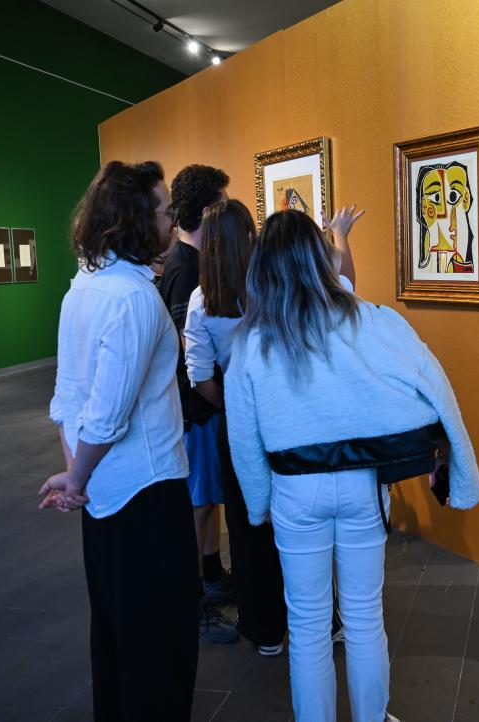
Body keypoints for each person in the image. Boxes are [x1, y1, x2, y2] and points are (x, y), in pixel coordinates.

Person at [224, 208, 479, 722]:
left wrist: (258, 505)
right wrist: (453, 455)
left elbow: (244, 440)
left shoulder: (250, 343)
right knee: (365, 618)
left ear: (261, 267)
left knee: (307, 626)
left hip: (294, 491)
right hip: (363, 483)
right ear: (318, 258)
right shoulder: (366, 319)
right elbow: (429, 376)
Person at [40, 160, 199, 721]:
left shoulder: (82, 287)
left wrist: (77, 478)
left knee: (115, 634)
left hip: (105, 495)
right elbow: (106, 414)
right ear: (135, 219)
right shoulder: (133, 299)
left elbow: (67, 399)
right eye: (164, 211)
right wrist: (77, 476)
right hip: (146, 492)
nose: (172, 220)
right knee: (160, 642)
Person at [183, 199, 288, 656]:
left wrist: (232, 405)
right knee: (294, 518)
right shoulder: (273, 284)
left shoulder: (201, 300)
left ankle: (264, 629)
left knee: (247, 525)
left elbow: (198, 374)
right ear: (249, 237)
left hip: (239, 424)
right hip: (285, 417)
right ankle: (315, 618)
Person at [160, 163, 238, 644]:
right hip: (197, 409)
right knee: (198, 504)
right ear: (209, 210)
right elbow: (188, 355)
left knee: (208, 500)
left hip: (202, 406)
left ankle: (211, 573)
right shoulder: (185, 269)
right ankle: (191, 600)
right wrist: (218, 399)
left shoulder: (189, 262)